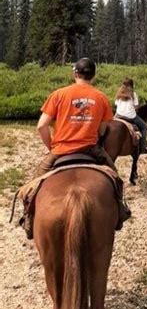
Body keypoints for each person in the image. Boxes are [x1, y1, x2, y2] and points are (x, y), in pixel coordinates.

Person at [34, 58, 130, 224]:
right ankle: (120, 211)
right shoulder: (100, 97)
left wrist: (51, 147)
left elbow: (41, 126)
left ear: (75, 73)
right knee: (116, 179)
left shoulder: (58, 94)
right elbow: (102, 129)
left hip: (60, 150)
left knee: (33, 186)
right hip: (90, 149)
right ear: (93, 76)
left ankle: (28, 220)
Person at [115, 78, 147, 154]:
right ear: (131, 85)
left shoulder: (119, 93)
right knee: (144, 127)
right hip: (130, 116)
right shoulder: (133, 93)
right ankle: (143, 147)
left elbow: (116, 104)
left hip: (118, 115)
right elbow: (136, 107)